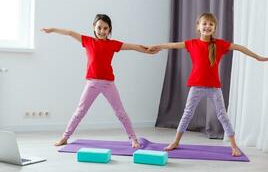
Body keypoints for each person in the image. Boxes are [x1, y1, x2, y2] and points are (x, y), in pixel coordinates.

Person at [147, 12, 268, 156]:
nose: (207, 26)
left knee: (222, 115)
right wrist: (157, 46)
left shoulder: (220, 45)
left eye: (211, 24)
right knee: (187, 114)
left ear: (214, 28)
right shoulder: (192, 43)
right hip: (196, 86)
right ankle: (176, 142)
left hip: (214, 88)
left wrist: (258, 57)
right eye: (204, 23)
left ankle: (234, 146)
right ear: (198, 26)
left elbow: (239, 47)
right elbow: (172, 45)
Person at [41, 14, 159, 148]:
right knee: (80, 111)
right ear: (94, 27)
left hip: (108, 84)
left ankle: (133, 139)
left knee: (120, 112)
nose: (102, 31)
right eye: (99, 27)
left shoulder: (113, 44)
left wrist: (148, 50)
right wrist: (52, 30)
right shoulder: (87, 41)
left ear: (109, 30)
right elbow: (69, 33)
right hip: (92, 83)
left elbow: (133, 46)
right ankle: (65, 137)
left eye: (105, 28)